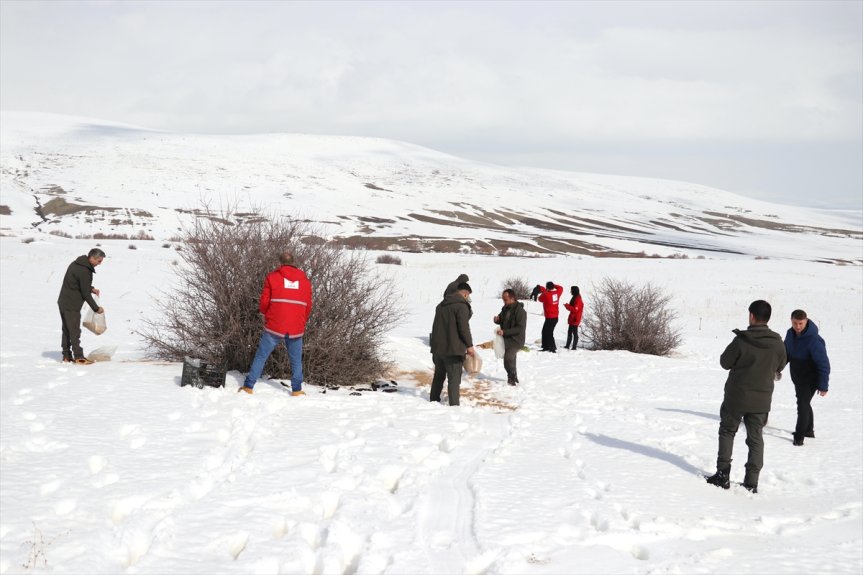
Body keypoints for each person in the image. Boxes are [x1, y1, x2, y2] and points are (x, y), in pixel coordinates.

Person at [705, 300, 786, 494]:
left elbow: (725, 362)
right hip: (762, 400)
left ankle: (723, 475)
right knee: (756, 438)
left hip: (736, 397)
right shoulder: (777, 343)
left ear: (751, 315)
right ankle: (752, 482)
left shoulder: (741, 340)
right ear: (768, 317)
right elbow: (781, 366)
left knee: (727, 432)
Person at [239, 252, 312, 396]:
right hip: (296, 325)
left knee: (261, 356)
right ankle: (297, 390)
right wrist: (302, 319)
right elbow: (308, 305)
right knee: (296, 360)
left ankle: (249, 386)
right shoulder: (304, 281)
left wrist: (265, 313)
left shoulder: (272, 277)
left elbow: (265, 301)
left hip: (275, 324)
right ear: (294, 262)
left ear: (280, 263)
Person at [782, 309, 830, 446]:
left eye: (801, 323)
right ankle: (808, 430)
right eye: (795, 323)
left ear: (806, 321)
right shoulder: (790, 334)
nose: (797, 326)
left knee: (802, 405)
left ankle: (799, 437)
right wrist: (778, 368)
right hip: (798, 377)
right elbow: (786, 354)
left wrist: (823, 385)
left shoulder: (814, 340)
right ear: (791, 321)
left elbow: (823, 364)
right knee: (803, 402)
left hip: (811, 378)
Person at [429, 282, 475, 406]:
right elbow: (463, 328)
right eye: (468, 295)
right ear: (465, 294)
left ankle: (433, 400)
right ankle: (454, 406)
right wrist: (469, 345)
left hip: (438, 349)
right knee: (454, 379)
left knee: (438, 375)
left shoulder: (440, 305)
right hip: (453, 350)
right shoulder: (461, 306)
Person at [57, 248, 106, 365]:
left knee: (67, 330)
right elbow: (84, 293)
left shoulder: (77, 264)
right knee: (74, 331)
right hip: (71, 304)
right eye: (99, 261)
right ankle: (79, 357)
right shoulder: (84, 270)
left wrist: (91, 288)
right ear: (92, 258)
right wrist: (96, 308)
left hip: (64, 301)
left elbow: (78, 283)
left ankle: (66, 356)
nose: (100, 264)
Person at [493, 288, 527, 385]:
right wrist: (497, 319)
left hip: (516, 340)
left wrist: (505, 332)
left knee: (508, 359)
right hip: (506, 339)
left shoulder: (520, 311)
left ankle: (511, 378)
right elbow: (501, 319)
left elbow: (520, 328)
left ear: (512, 298)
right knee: (512, 359)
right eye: (503, 299)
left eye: (506, 300)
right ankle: (514, 376)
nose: (504, 302)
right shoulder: (505, 308)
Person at [537, 281, 563, 352]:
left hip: (550, 317)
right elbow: (561, 287)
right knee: (545, 331)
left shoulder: (546, 294)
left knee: (548, 332)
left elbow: (539, 299)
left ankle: (552, 348)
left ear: (547, 287)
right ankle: (546, 346)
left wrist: (544, 290)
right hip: (555, 317)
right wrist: (554, 285)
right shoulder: (557, 293)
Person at [563, 285, 584, 350]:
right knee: (569, 332)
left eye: (571, 290)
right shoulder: (575, 297)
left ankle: (574, 347)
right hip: (572, 318)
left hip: (575, 319)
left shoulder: (578, 299)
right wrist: (568, 306)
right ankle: (567, 345)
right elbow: (573, 307)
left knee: (575, 333)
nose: (570, 292)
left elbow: (575, 309)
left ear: (574, 291)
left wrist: (567, 306)